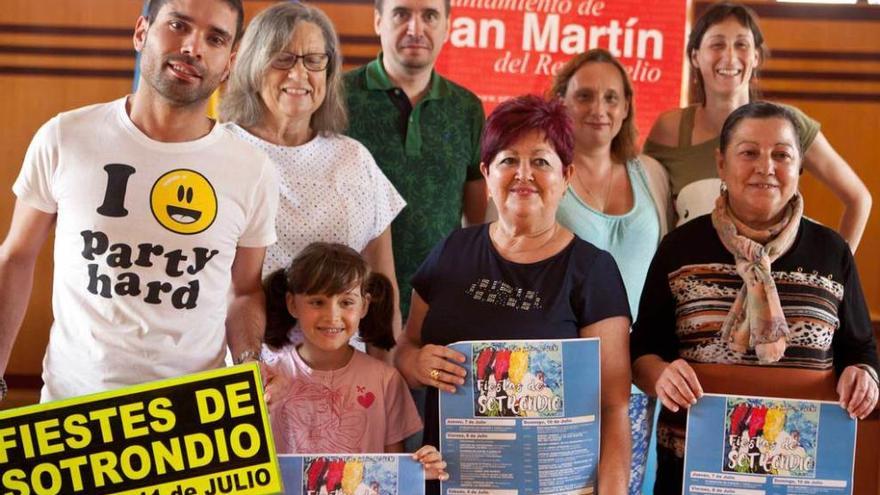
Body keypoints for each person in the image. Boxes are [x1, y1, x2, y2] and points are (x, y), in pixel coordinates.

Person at [0, 0, 278, 402]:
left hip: (197, 421)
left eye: (214, 38)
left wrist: (251, 361)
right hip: (73, 410)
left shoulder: (252, 170)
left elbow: (245, 290)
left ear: (229, 62)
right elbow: (16, 258)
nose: (192, 47)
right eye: (178, 25)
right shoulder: (65, 137)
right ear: (141, 32)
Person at [631, 101, 879, 494]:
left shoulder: (832, 252)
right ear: (721, 164)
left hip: (801, 473)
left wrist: (863, 377)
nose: (766, 167)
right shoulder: (679, 248)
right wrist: (661, 375)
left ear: (798, 167)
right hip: (694, 473)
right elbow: (642, 352)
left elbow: (861, 349)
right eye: (749, 152)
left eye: (781, 154)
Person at [395, 95, 633, 494]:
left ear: (566, 176)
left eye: (541, 161)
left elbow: (613, 406)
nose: (524, 174)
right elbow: (405, 348)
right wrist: (416, 363)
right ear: (487, 175)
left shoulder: (593, 271)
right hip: (457, 481)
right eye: (508, 160)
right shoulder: (451, 252)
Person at [220, 2, 405, 356]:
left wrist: (385, 377)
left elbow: (383, 288)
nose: (298, 74)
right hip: (253, 371)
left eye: (314, 60)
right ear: (253, 65)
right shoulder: (220, 150)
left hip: (348, 377)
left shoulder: (354, 157)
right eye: (282, 59)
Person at [644, 2, 870, 250]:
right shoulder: (669, 130)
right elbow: (648, 213)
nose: (729, 56)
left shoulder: (789, 125)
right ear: (695, 56)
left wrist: (838, 275)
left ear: (756, 56)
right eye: (717, 44)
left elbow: (859, 199)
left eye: (741, 44)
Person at [550, 48, 672, 495]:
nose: (598, 109)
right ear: (561, 101)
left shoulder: (651, 174)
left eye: (611, 98)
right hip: (563, 373)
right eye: (584, 96)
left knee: (631, 485)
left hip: (638, 374)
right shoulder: (544, 173)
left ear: (626, 107)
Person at [343, 0, 487, 317]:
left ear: (447, 26)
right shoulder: (337, 97)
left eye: (430, 16)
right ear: (378, 21)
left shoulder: (467, 109)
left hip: (439, 306)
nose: (415, 28)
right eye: (402, 14)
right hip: (347, 307)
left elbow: (477, 223)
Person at [261, 242, 448, 480]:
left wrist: (419, 470)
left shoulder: (386, 380)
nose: (332, 316)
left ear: (364, 305)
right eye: (317, 302)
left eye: (346, 302)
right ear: (292, 303)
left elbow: (393, 475)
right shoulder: (268, 378)